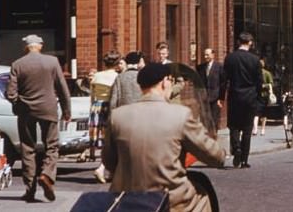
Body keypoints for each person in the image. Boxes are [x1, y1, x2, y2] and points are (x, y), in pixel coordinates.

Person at [103, 62, 225, 209]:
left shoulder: (118, 116)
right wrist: (220, 152)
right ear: (164, 82)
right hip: (168, 198)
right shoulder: (180, 115)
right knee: (202, 195)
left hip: (127, 196)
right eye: (170, 81)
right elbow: (214, 155)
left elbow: (109, 161)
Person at [6, 34, 71, 203]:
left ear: (26, 47)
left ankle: (30, 189)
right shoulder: (52, 62)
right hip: (48, 108)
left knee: (28, 149)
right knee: (52, 146)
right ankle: (47, 174)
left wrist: (18, 103)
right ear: (40, 46)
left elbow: (10, 93)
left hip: (26, 111)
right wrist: (66, 110)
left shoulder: (17, 64)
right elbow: (62, 88)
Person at [221, 32, 262, 168]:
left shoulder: (230, 58)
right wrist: (259, 98)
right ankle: (244, 159)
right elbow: (259, 82)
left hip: (235, 96)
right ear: (249, 43)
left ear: (238, 42)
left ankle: (236, 148)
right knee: (247, 128)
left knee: (234, 126)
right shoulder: (255, 60)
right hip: (250, 96)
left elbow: (224, 79)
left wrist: (221, 97)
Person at [89, 50, 121, 184]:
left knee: (103, 141)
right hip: (109, 107)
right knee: (112, 140)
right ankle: (103, 168)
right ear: (117, 63)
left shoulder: (97, 76)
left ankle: (111, 171)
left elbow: (92, 95)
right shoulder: (117, 77)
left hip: (96, 107)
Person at [197, 48, 223, 131]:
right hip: (204, 98)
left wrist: (220, 99)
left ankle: (214, 138)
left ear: (213, 55)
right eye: (204, 55)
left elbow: (223, 83)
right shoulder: (200, 67)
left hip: (215, 98)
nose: (205, 57)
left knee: (214, 119)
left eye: (207, 55)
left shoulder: (219, 67)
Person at [255, 59, 274, 136]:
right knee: (263, 113)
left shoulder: (264, 73)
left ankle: (255, 129)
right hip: (263, 95)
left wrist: (263, 86)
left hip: (258, 95)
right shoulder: (267, 73)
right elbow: (271, 84)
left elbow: (270, 84)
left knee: (256, 113)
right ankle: (262, 129)